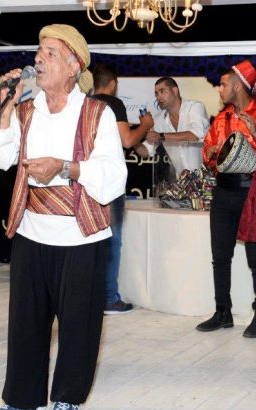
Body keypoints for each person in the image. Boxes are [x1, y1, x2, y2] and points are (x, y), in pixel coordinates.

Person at [0, 24, 127, 410]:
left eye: (50, 53)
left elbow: (115, 176)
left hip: (81, 235)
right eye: (38, 52)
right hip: (31, 231)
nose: (38, 59)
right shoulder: (25, 111)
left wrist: (65, 167)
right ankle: (22, 398)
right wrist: (5, 109)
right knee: (25, 320)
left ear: (74, 66)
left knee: (78, 323)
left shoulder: (97, 113)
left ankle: (67, 398)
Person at [197, 60, 256, 338]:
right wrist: (210, 152)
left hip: (253, 191)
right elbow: (206, 152)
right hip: (223, 190)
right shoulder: (221, 118)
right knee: (220, 255)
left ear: (238, 86)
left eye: (223, 84)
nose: (220, 89)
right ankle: (222, 312)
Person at [92, 62, 154, 315]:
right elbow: (127, 140)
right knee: (112, 240)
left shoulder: (86, 104)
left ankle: (90, 295)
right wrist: (145, 125)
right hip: (109, 182)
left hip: (87, 178)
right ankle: (109, 298)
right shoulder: (112, 103)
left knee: (91, 239)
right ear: (113, 84)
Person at [142, 77, 210, 178]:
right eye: (156, 93)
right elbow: (145, 151)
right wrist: (133, 138)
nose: (159, 97)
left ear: (175, 91)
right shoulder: (158, 120)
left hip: (207, 178)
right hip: (182, 183)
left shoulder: (194, 107)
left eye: (162, 91)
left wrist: (161, 136)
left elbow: (194, 135)